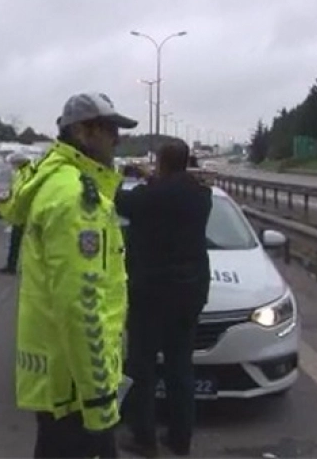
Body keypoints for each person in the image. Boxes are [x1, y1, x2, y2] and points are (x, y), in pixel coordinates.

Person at [5, 92, 137, 458]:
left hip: (61, 377)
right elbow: (82, 305)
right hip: (76, 386)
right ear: (82, 132)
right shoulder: (76, 198)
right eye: (109, 128)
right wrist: (99, 400)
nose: (117, 138)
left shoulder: (57, 182)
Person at [115, 138, 212, 458]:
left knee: (142, 368)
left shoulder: (149, 196)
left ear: (161, 162)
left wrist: (142, 178)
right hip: (189, 292)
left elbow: (121, 202)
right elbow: (173, 192)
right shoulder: (202, 196)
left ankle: (145, 438)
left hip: (151, 294)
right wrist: (155, 177)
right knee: (180, 368)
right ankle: (180, 439)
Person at [0, 152, 33, 275]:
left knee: (30, 244)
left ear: (20, 163)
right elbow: (14, 193)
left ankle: (31, 268)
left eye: (13, 163)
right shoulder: (18, 174)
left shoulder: (30, 173)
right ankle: (11, 266)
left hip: (28, 215)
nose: (12, 166)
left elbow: (25, 194)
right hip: (19, 215)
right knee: (15, 242)